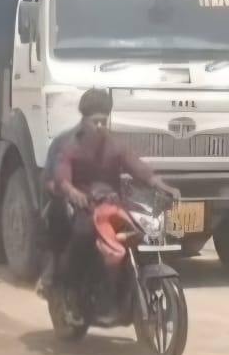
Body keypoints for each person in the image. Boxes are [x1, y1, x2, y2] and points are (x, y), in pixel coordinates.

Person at [47, 88, 179, 320]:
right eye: (95, 121)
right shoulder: (71, 148)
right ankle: (72, 294)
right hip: (85, 209)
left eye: (103, 121)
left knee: (138, 236)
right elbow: (62, 177)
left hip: (112, 208)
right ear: (84, 121)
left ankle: (120, 290)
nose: (100, 126)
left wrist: (159, 184)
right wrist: (72, 191)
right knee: (82, 235)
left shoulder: (114, 146)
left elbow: (137, 167)